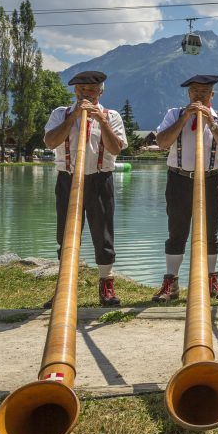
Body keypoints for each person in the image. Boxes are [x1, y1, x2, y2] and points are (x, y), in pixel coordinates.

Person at [42, 71, 128, 307]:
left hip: (100, 180)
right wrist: (72, 119)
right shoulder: (60, 114)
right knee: (66, 235)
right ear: (74, 92)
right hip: (68, 179)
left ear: (101, 91)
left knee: (103, 235)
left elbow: (116, 148)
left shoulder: (112, 116)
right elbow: (50, 142)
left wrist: (100, 120)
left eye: (91, 90)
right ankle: (64, 286)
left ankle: (106, 284)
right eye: (81, 90)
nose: (86, 94)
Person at [152, 75, 218, 303]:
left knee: (211, 232)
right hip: (179, 179)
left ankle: (210, 279)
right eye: (194, 91)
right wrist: (184, 119)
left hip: (211, 179)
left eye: (204, 91)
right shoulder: (174, 114)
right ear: (188, 94)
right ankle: (171, 282)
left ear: (212, 95)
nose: (198, 95)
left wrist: (211, 123)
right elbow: (162, 143)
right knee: (176, 231)